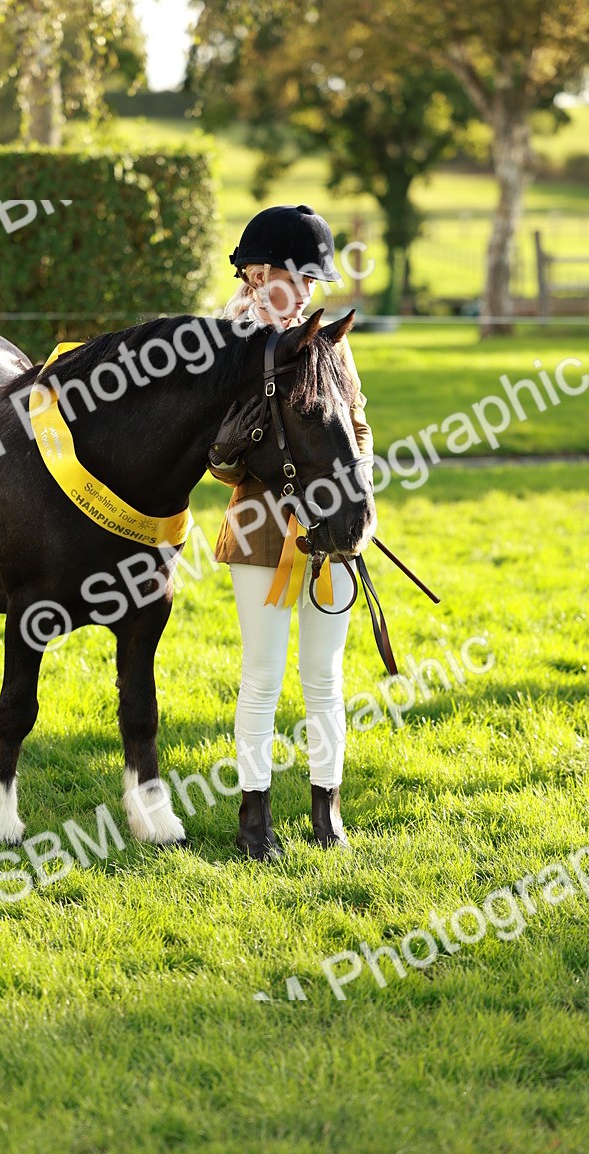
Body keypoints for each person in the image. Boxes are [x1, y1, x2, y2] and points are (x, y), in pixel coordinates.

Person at [208, 204, 374, 861]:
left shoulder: (329, 340)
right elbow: (214, 454)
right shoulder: (226, 340)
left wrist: (358, 494)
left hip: (331, 527)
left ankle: (326, 808)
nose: (308, 291)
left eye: (313, 280)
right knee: (263, 675)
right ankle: (254, 818)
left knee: (325, 676)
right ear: (255, 273)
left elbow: (356, 424)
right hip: (260, 529)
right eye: (296, 277)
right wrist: (222, 457)